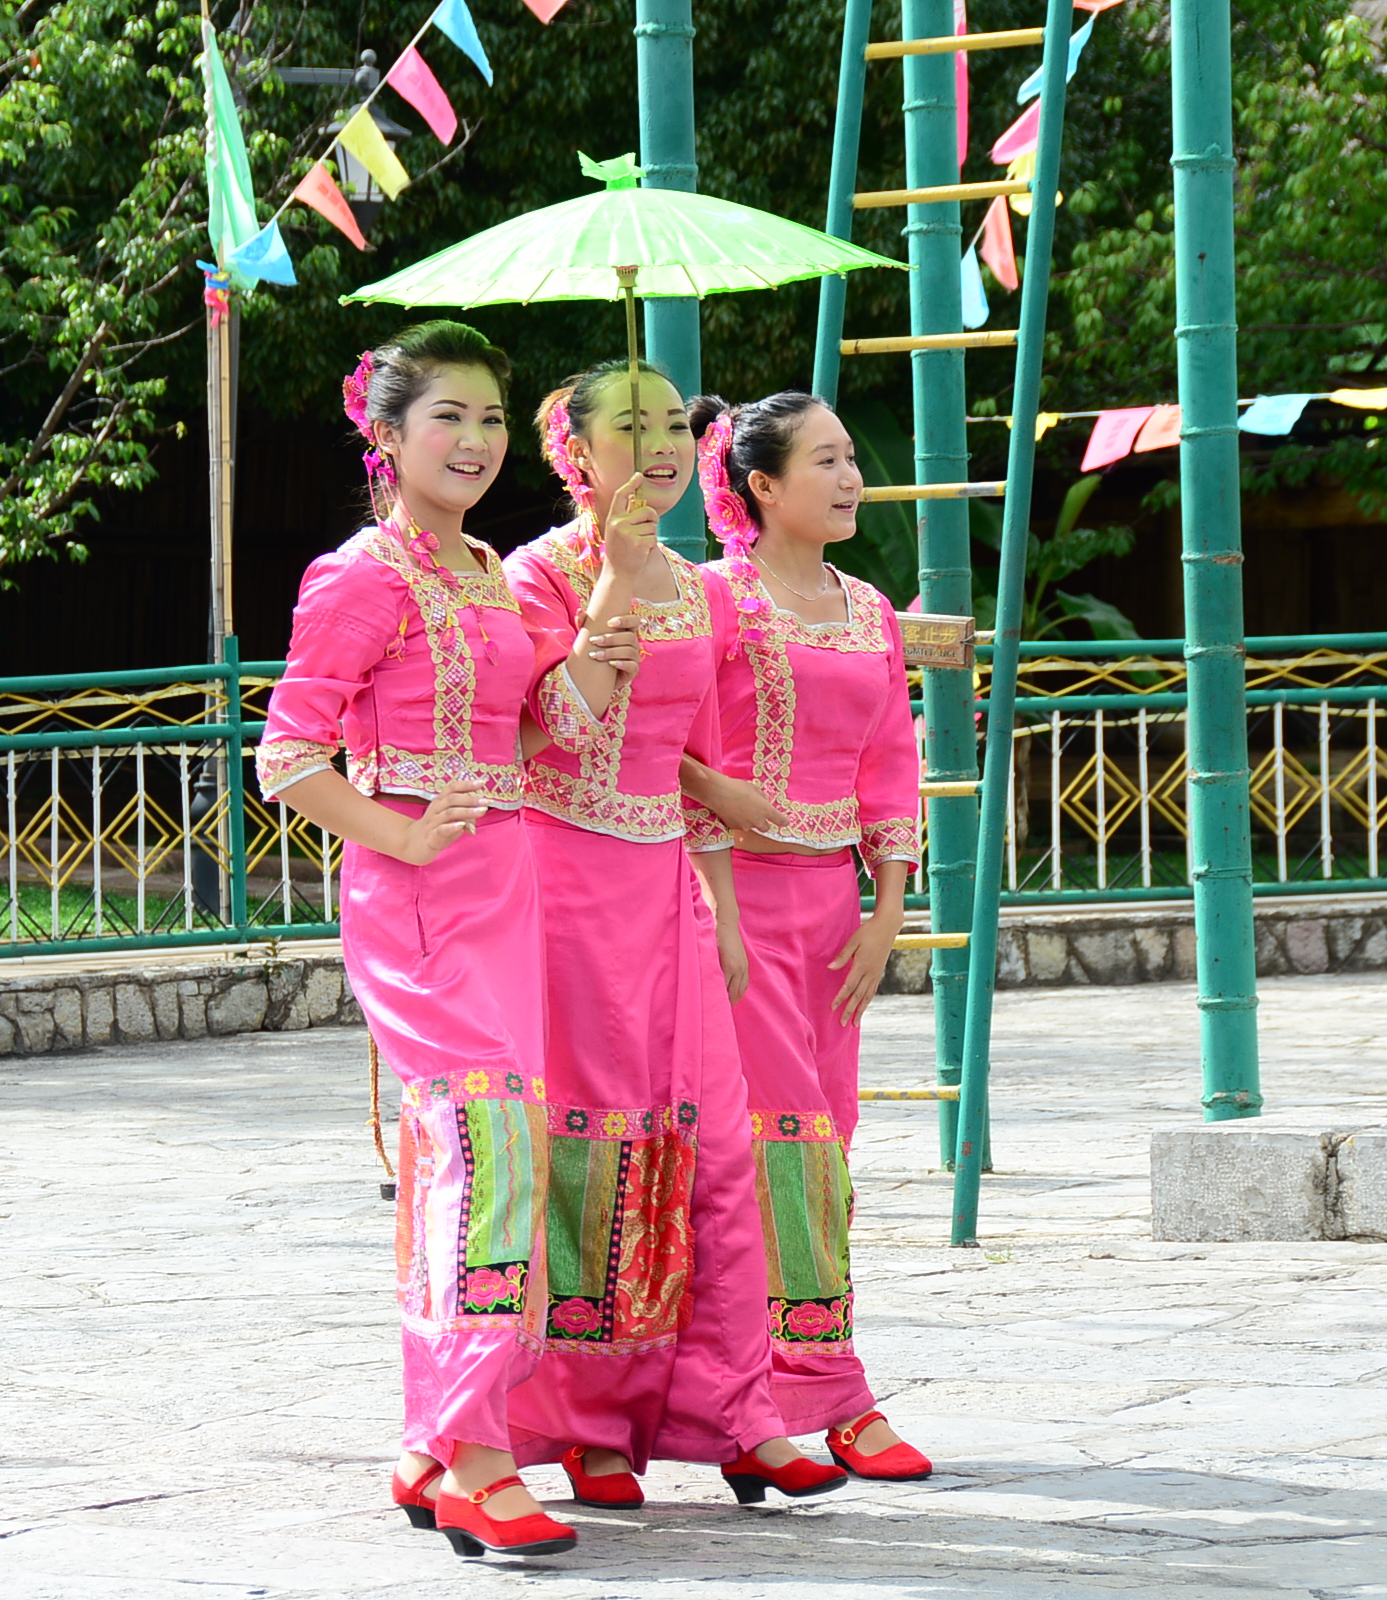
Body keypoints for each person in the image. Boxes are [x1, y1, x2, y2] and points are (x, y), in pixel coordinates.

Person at [256, 322, 583, 1558]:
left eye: (492, 418)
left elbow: (528, 733)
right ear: (386, 437)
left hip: (511, 885)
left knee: (486, 1156)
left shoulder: (490, 570)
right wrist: (399, 833)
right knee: (487, 1150)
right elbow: (289, 755)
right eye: (449, 415)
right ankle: (479, 1460)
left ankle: (436, 1438)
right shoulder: (361, 575)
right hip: (420, 901)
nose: (477, 440)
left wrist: (591, 664)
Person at [500, 363, 850, 1508]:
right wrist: (610, 579)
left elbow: (690, 766)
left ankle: (737, 1411)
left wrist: (723, 907)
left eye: (669, 428)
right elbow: (548, 731)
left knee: (720, 1151)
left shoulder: (702, 593)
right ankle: (589, 1422)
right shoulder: (536, 575)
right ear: (576, 453)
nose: (659, 447)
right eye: (630, 428)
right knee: (597, 1149)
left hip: (670, 892)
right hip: (564, 887)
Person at [677, 391, 934, 1481]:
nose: (849, 477)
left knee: (827, 1141)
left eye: (850, 457)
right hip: (733, 906)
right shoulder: (712, 598)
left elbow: (890, 765)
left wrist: (887, 913)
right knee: (781, 1146)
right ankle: (830, 1394)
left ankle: (765, 1397)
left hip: (835, 915)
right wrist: (722, 912)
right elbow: (677, 748)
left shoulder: (869, 610)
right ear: (763, 485)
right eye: (824, 460)